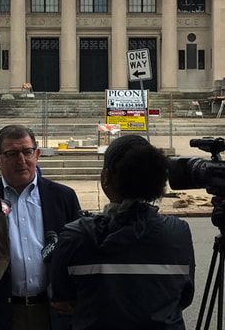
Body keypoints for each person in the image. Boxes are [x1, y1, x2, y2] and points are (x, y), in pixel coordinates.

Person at [50, 135, 195, 330]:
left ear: (106, 177)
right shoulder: (178, 232)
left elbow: (61, 300)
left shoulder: (75, 235)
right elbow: (184, 297)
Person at [0, 124, 82, 330]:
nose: (21, 160)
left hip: (53, 312)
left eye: (27, 152)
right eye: (11, 154)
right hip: (0, 313)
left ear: (36, 154)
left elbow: (80, 255)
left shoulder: (63, 197)